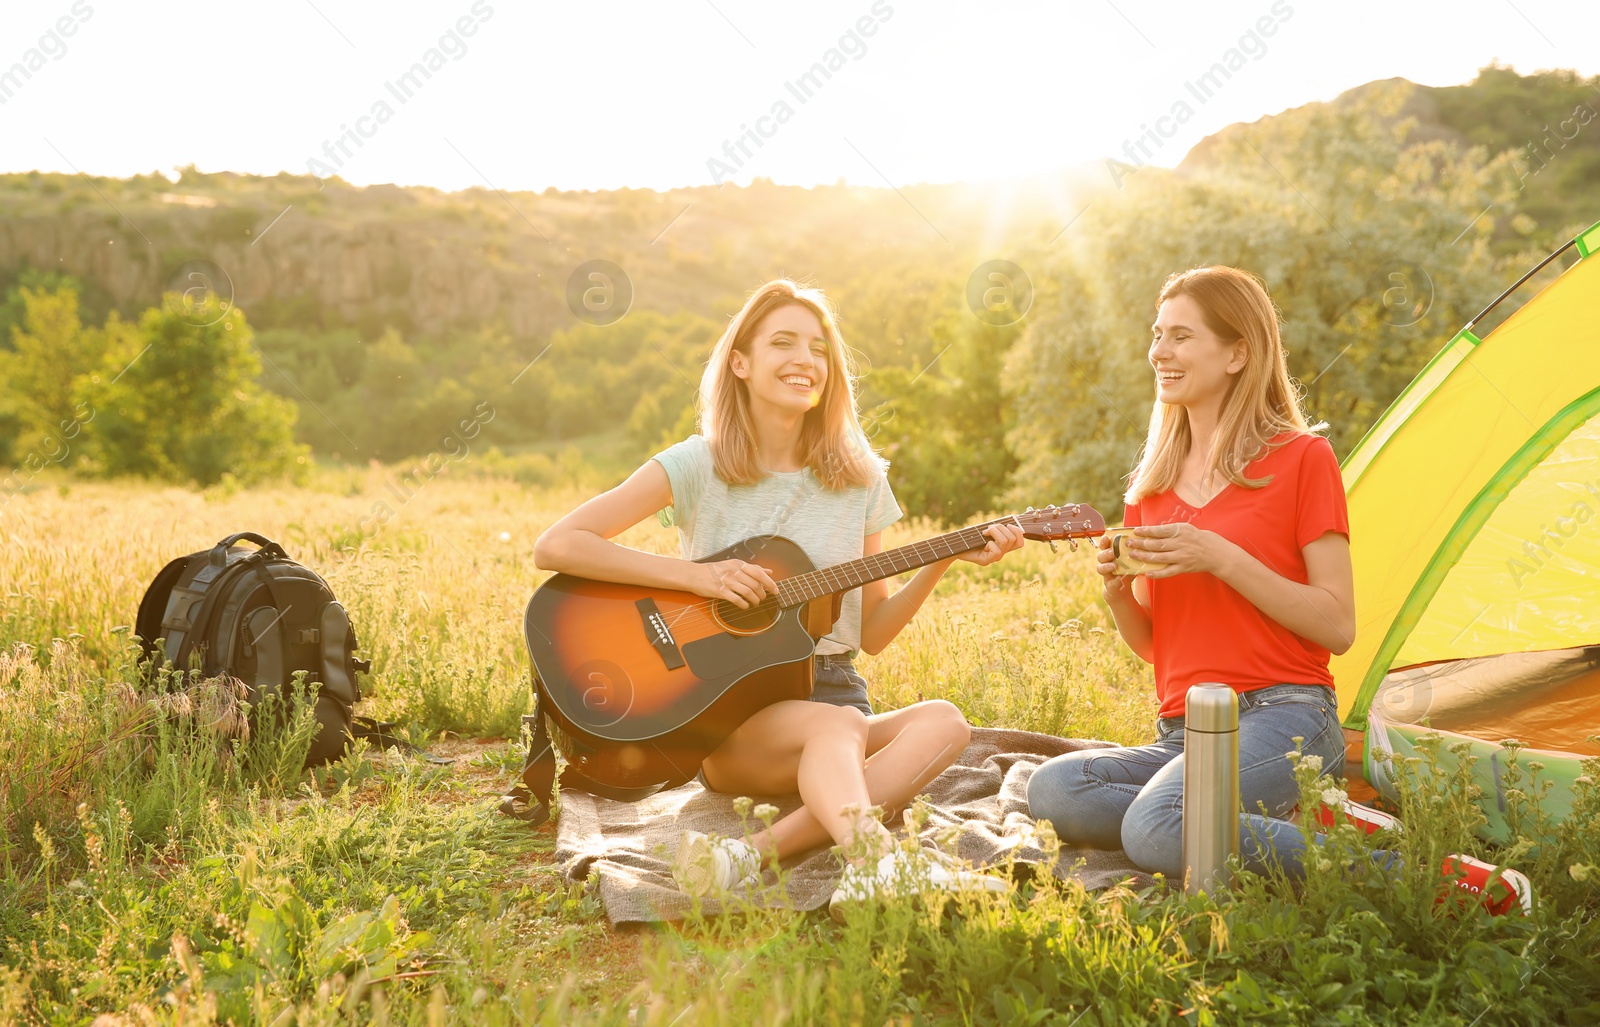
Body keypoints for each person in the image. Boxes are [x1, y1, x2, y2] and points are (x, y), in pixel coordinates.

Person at [1025, 266, 1532, 912]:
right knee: (1054, 790)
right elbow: (1158, 648)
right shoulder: (1149, 489)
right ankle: (1299, 821)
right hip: (1183, 729)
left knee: (1156, 826)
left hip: (1285, 714)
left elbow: (1337, 624)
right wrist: (1119, 594)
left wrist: (1219, 554)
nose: (1160, 351)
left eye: (1181, 336)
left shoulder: (1301, 460)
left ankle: (1425, 876)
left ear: (1238, 352)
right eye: (1157, 335)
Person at [533, 279, 1023, 914]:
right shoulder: (695, 466)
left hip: (835, 688)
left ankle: (750, 854)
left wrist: (943, 561)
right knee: (841, 724)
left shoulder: (860, 476)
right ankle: (875, 863)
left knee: (945, 723)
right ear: (740, 363)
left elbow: (871, 632)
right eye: (783, 342)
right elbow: (558, 544)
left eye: (818, 348)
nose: (805, 360)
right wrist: (699, 578)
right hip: (730, 713)